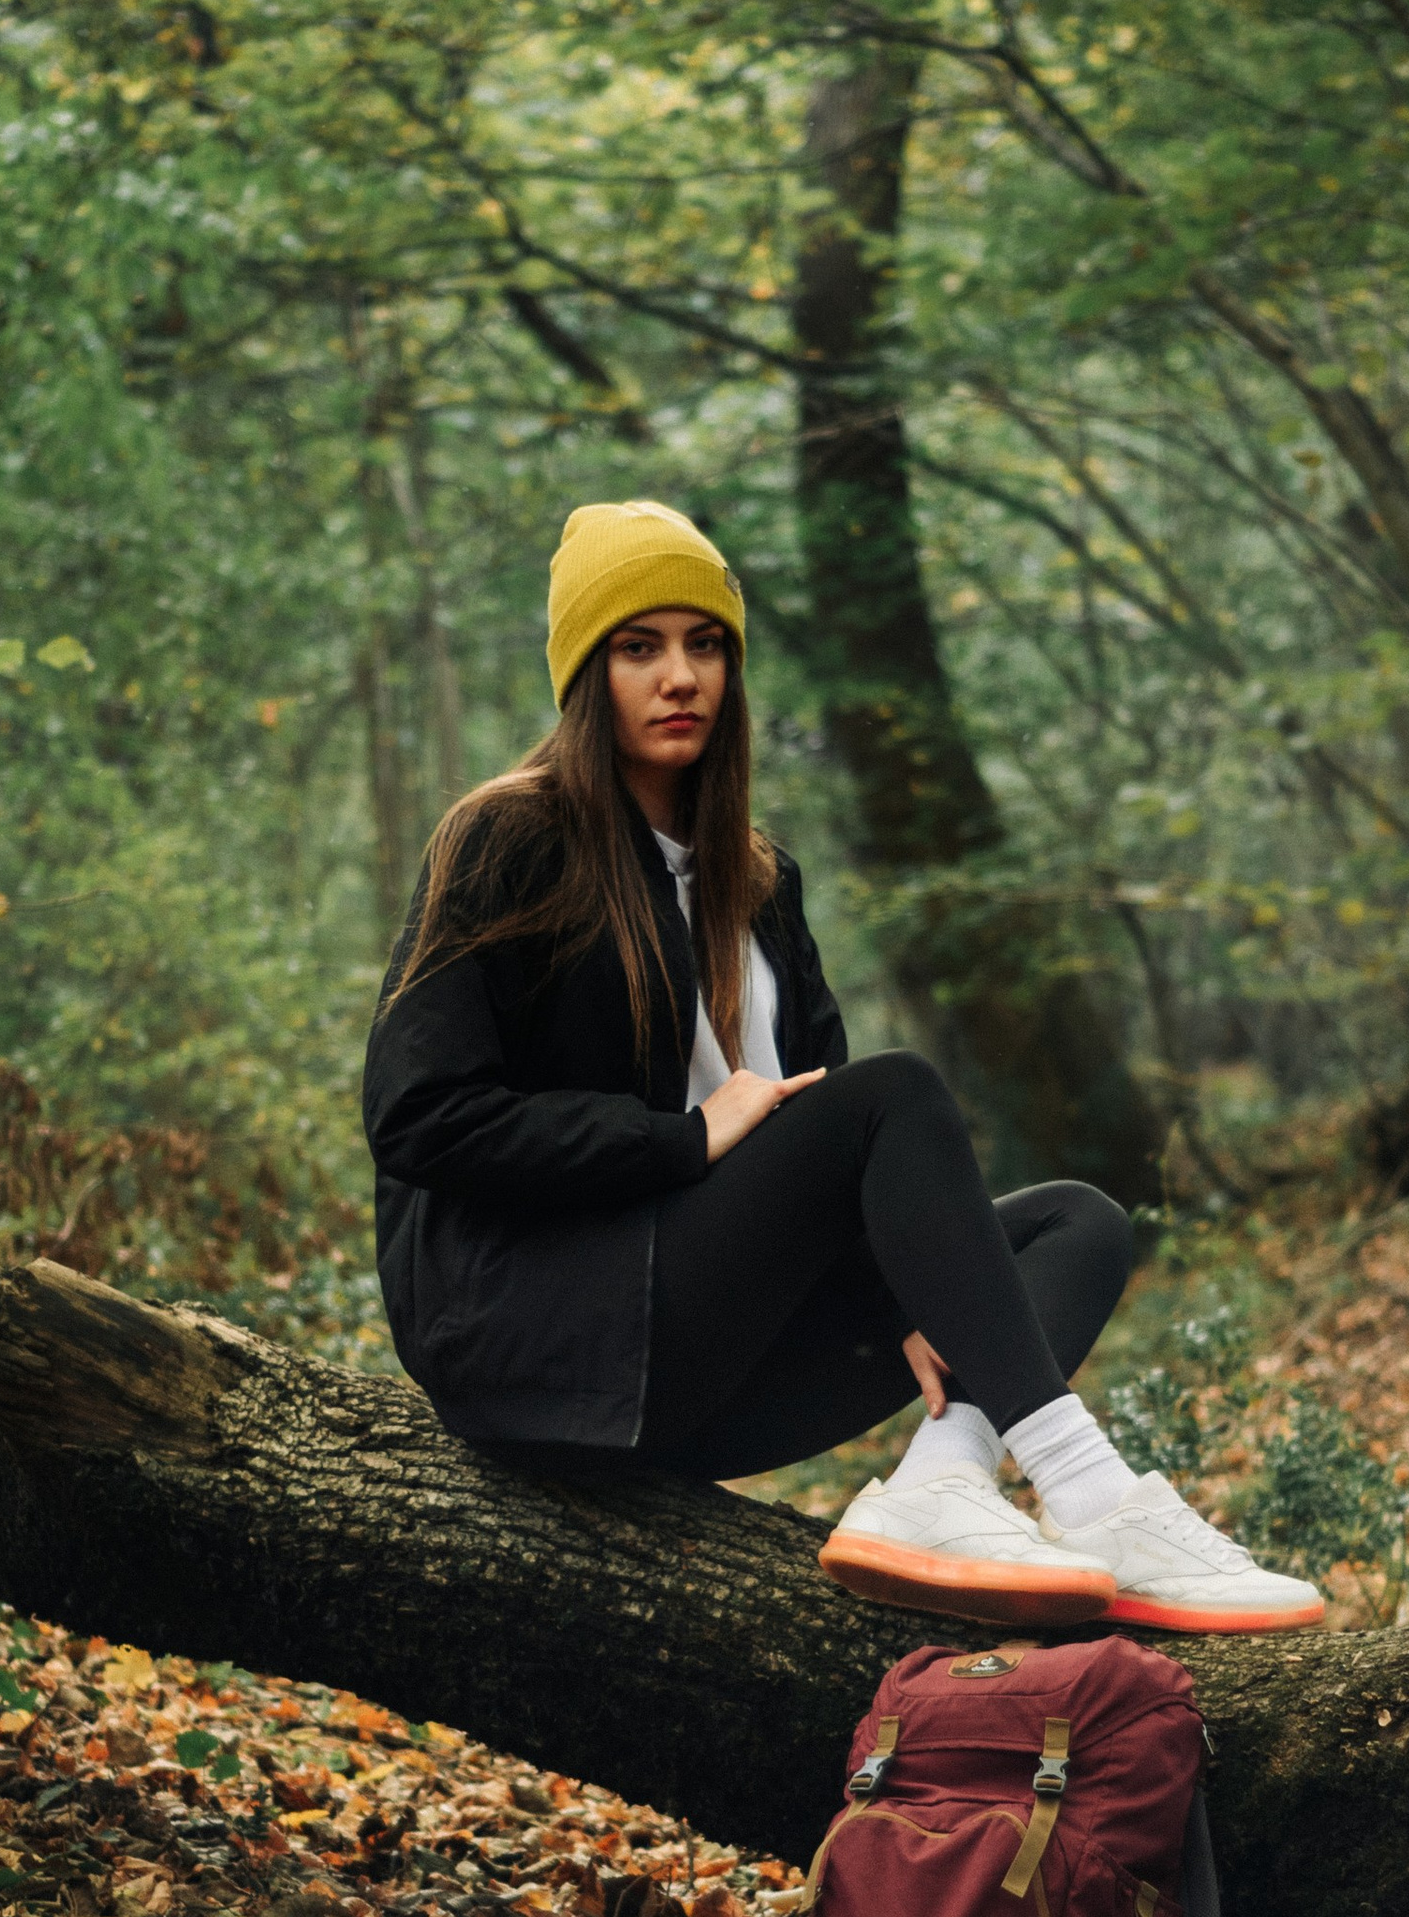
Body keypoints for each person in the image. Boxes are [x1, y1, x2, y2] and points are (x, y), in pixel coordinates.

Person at [363, 498, 1322, 1634]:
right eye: (639, 647)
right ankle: (1092, 1491)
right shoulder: (508, 840)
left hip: (716, 1377)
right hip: (544, 1349)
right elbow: (420, 1118)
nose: (681, 677)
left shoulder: (759, 881)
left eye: (705, 643)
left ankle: (941, 1483)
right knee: (897, 1091)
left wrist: (917, 1279)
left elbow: (834, 1154)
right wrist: (683, 1135)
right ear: (585, 675)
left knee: (1080, 1225)